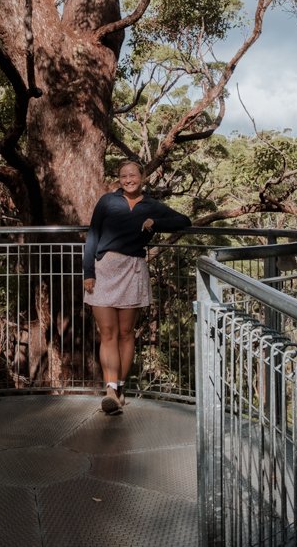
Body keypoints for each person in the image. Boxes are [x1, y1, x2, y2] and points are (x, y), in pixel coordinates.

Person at [83, 160, 191, 415]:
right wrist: (88, 273)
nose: (128, 179)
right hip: (105, 270)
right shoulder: (107, 201)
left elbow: (183, 220)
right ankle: (110, 389)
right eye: (123, 175)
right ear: (119, 178)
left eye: (133, 174)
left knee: (126, 333)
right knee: (107, 332)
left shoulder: (151, 205)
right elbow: (92, 235)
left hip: (133, 270)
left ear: (142, 176)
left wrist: (155, 222)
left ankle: (119, 389)